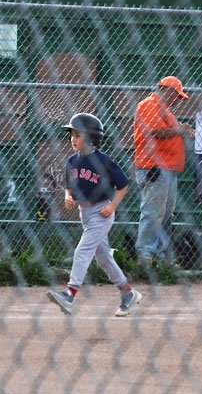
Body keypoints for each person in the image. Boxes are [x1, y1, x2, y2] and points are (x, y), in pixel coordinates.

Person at [47, 112, 141, 318]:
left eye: (77, 135)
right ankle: (127, 292)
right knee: (103, 258)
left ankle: (70, 294)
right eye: (72, 135)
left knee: (82, 251)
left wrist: (112, 206)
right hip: (85, 213)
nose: (73, 139)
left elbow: (123, 184)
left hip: (101, 212)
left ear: (91, 138)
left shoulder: (103, 161)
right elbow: (69, 185)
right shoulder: (72, 161)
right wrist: (68, 197)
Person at [133, 75, 194, 264]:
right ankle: (145, 253)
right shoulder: (150, 104)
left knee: (166, 213)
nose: (178, 101)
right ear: (166, 90)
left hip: (168, 168)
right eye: (177, 95)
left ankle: (158, 255)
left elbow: (170, 133)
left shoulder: (165, 111)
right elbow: (155, 131)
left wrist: (184, 132)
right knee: (153, 211)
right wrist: (179, 130)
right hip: (155, 167)